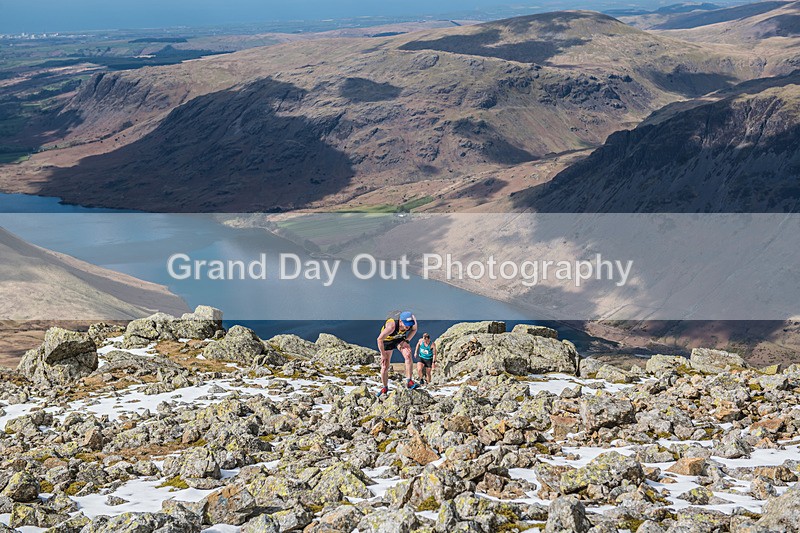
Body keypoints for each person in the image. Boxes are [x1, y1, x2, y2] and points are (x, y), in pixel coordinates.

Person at [376, 311, 418, 396]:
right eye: (406, 324)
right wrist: (383, 354)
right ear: (400, 321)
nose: (408, 326)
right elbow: (379, 339)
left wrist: (406, 341)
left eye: (409, 324)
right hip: (387, 340)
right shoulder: (391, 326)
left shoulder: (412, 321)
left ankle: (409, 381)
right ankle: (385, 387)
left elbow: (414, 329)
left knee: (407, 354)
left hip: (399, 338)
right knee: (385, 366)